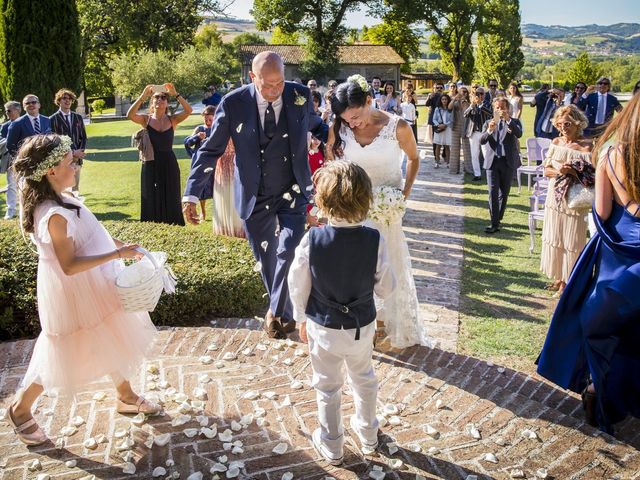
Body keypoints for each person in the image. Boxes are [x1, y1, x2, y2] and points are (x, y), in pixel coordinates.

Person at [6, 134, 160, 446]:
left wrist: (121, 247)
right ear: (50, 172)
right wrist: (117, 255)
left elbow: (93, 235)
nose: (75, 166)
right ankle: (21, 409)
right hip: (73, 290)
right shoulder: (54, 216)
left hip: (92, 282)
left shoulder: (64, 198)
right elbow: (70, 265)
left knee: (108, 331)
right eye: (68, 163)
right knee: (63, 350)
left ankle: (125, 395)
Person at [182, 51, 321, 340]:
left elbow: (314, 122)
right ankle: (280, 312)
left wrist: (335, 133)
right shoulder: (233, 103)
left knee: (290, 249)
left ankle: (275, 313)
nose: (273, 92)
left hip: (293, 188)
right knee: (266, 255)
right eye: (266, 85)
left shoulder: (299, 95)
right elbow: (211, 149)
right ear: (252, 77)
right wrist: (192, 194)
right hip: (254, 193)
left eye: (279, 84)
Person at [536, 93, 640, 434]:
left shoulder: (610, 152)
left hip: (620, 249)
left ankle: (601, 392)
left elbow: (603, 211)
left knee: (602, 323)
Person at [288, 161, 395, 464]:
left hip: (323, 326)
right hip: (362, 324)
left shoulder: (313, 239)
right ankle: (368, 432)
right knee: (364, 377)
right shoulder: (374, 239)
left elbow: (297, 284)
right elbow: (386, 286)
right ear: (365, 198)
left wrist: (300, 318)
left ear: (323, 200)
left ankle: (332, 443)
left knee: (327, 384)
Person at [326, 74, 431, 348]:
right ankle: (358, 321)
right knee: (353, 267)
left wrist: (403, 195)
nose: (353, 123)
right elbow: (332, 163)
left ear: (370, 101)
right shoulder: (340, 129)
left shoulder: (397, 127)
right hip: (351, 208)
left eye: (356, 116)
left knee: (387, 266)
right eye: (348, 120)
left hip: (386, 209)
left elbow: (413, 159)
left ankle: (384, 322)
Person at [540, 105, 593, 295]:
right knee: (555, 237)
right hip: (554, 198)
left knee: (573, 239)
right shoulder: (555, 142)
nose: (563, 127)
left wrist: (573, 172)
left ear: (577, 124)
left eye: (567, 124)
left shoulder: (587, 145)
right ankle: (558, 277)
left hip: (575, 199)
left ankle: (569, 281)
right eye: (560, 124)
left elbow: (592, 177)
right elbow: (546, 170)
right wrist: (559, 171)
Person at [127, 83, 192, 226]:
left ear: (167, 102)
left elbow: (189, 110)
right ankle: (152, 227)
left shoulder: (172, 120)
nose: (160, 99)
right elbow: (130, 115)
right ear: (152, 101)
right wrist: (143, 95)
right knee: (151, 196)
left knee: (171, 194)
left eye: (163, 97)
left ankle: (173, 226)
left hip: (169, 163)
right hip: (151, 162)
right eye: (156, 97)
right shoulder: (146, 119)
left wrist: (176, 94)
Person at [480, 97, 523, 233]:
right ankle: (494, 223)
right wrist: (489, 131)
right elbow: (482, 141)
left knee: (504, 193)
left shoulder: (513, 122)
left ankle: (498, 218)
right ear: (494, 109)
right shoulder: (488, 122)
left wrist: (508, 120)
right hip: (492, 162)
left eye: (502, 107)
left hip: (507, 161)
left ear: (508, 109)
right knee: (492, 192)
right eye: (497, 108)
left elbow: (519, 134)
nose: (499, 110)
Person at [5, 95, 52, 219]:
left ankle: (45, 214)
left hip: (46, 163)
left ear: (39, 104)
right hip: (27, 165)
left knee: (46, 189)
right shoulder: (17, 124)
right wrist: (22, 160)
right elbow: (11, 146)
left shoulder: (47, 120)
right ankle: (27, 217)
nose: (31, 104)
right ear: (24, 107)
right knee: (28, 192)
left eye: (33, 102)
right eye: (27, 103)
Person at [49, 89, 87, 192]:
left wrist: (80, 152)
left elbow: (83, 137)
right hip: (62, 160)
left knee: (75, 187)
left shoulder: (78, 117)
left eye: (70, 98)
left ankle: (76, 208)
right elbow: (54, 141)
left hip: (77, 160)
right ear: (58, 101)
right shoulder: (52, 119)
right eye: (64, 98)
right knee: (63, 189)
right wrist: (72, 152)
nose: (68, 101)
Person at [464, 87, 492, 181]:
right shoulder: (472, 105)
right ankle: (477, 174)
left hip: (484, 132)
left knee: (486, 153)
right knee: (474, 154)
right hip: (474, 132)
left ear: (484, 95)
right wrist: (472, 105)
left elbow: (490, 114)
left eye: (481, 94)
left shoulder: (487, 104)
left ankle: (488, 172)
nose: (479, 95)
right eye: (477, 94)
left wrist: (480, 104)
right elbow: (465, 114)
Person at [1, 101, 21, 219]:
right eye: (6, 110)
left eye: (9, 110)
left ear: (18, 110)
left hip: (26, 160)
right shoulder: (5, 126)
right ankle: (11, 210)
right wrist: (11, 141)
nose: (6, 113)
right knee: (11, 185)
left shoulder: (26, 122)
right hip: (10, 160)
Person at [448, 85, 471, 175]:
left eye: (465, 92)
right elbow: (449, 108)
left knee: (467, 148)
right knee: (454, 148)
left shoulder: (468, 101)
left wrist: (464, 101)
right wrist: (454, 99)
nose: (464, 93)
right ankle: (454, 170)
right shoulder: (455, 100)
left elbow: (466, 111)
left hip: (466, 125)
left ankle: (468, 169)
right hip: (455, 125)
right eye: (462, 91)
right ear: (459, 92)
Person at [432, 94, 452, 168]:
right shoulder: (437, 109)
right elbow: (434, 119)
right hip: (439, 128)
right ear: (440, 100)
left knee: (447, 146)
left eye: (445, 99)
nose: (444, 101)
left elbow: (451, 119)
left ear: (448, 100)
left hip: (447, 129)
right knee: (438, 145)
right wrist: (438, 125)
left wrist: (446, 125)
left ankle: (448, 162)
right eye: (443, 99)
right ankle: (437, 162)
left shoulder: (450, 109)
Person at [425, 82, 444, 155]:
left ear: (443, 89)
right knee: (435, 139)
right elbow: (427, 104)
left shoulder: (445, 96)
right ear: (434, 88)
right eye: (437, 88)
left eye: (440, 88)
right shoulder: (432, 96)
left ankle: (444, 153)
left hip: (444, 120)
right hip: (434, 120)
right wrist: (430, 97)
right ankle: (436, 155)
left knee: (445, 138)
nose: (439, 89)